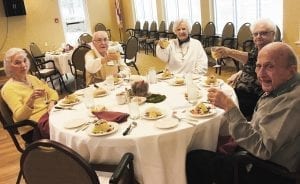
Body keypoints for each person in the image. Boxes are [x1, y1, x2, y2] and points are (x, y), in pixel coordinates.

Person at [186, 42, 300, 184]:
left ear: (291, 71)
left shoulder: (292, 103)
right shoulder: (283, 87)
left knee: (193, 158)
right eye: (258, 66)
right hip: (259, 154)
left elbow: (262, 149)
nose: (261, 74)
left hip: (265, 171)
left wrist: (229, 108)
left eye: (270, 66)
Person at [214, 19, 276, 120]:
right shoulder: (258, 48)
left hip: (254, 97)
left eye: (263, 33)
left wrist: (229, 51)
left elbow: (254, 61)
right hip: (240, 90)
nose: (258, 37)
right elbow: (251, 61)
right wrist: (240, 72)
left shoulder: (274, 51)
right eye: (255, 34)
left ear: (273, 35)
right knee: (216, 96)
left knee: (218, 109)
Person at [1, 48, 59, 142]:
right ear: (9, 67)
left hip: (49, 115)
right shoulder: (8, 89)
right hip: (32, 128)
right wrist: (30, 100)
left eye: (24, 61)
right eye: (17, 63)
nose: (23, 65)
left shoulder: (32, 78)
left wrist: (52, 103)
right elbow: (19, 117)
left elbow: (52, 92)